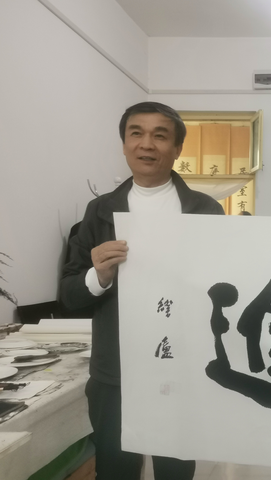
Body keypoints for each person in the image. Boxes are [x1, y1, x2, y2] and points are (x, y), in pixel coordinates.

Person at [61, 102, 225, 479]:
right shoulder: (99, 211)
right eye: (136, 133)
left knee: (175, 467)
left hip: (181, 368)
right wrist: (99, 275)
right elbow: (69, 295)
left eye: (160, 135)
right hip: (115, 371)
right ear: (124, 144)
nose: (146, 144)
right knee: (115, 468)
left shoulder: (204, 210)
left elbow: (224, 287)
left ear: (177, 148)